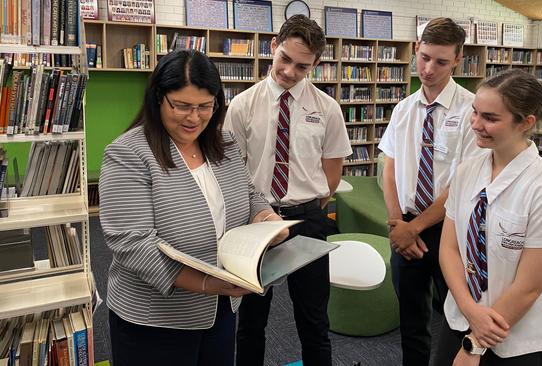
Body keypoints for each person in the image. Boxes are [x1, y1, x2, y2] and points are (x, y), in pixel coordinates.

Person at [99, 49, 287, 366]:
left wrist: (266, 218)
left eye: (205, 106)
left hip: (221, 308)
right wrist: (205, 283)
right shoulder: (128, 154)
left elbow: (250, 193)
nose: (194, 118)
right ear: (158, 99)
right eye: (182, 106)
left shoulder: (223, 142)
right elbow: (131, 243)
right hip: (155, 320)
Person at [224, 14, 352, 366]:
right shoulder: (242, 105)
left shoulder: (327, 109)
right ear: (273, 46)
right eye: (285, 59)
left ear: (315, 64)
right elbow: (233, 171)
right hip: (254, 221)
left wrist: (304, 206)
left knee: (314, 321)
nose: (290, 72)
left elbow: (331, 175)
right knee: (250, 320)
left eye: (302, 66)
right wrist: (260, 211)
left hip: (307, 220)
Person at [435, 69, 542, 366]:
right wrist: (469, 309)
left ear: (525, 123)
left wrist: (474, 345)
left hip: (513, 337)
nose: (475, 124)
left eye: (490, 118)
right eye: (474, 112)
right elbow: (449, 249)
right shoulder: (466, 171)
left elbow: (528, 288)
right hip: (460, 320)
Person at [377, 17, 483, 365]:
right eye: (423, 57)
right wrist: (397, 223)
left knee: (457, 314)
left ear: (457, 59)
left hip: (451, 227)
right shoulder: (403, 108)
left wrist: (415, 228)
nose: (428, 68)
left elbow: (462, 185)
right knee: (411, 315)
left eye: (440, 61)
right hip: (404, 224)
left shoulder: (472, 112)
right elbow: (389, 167)